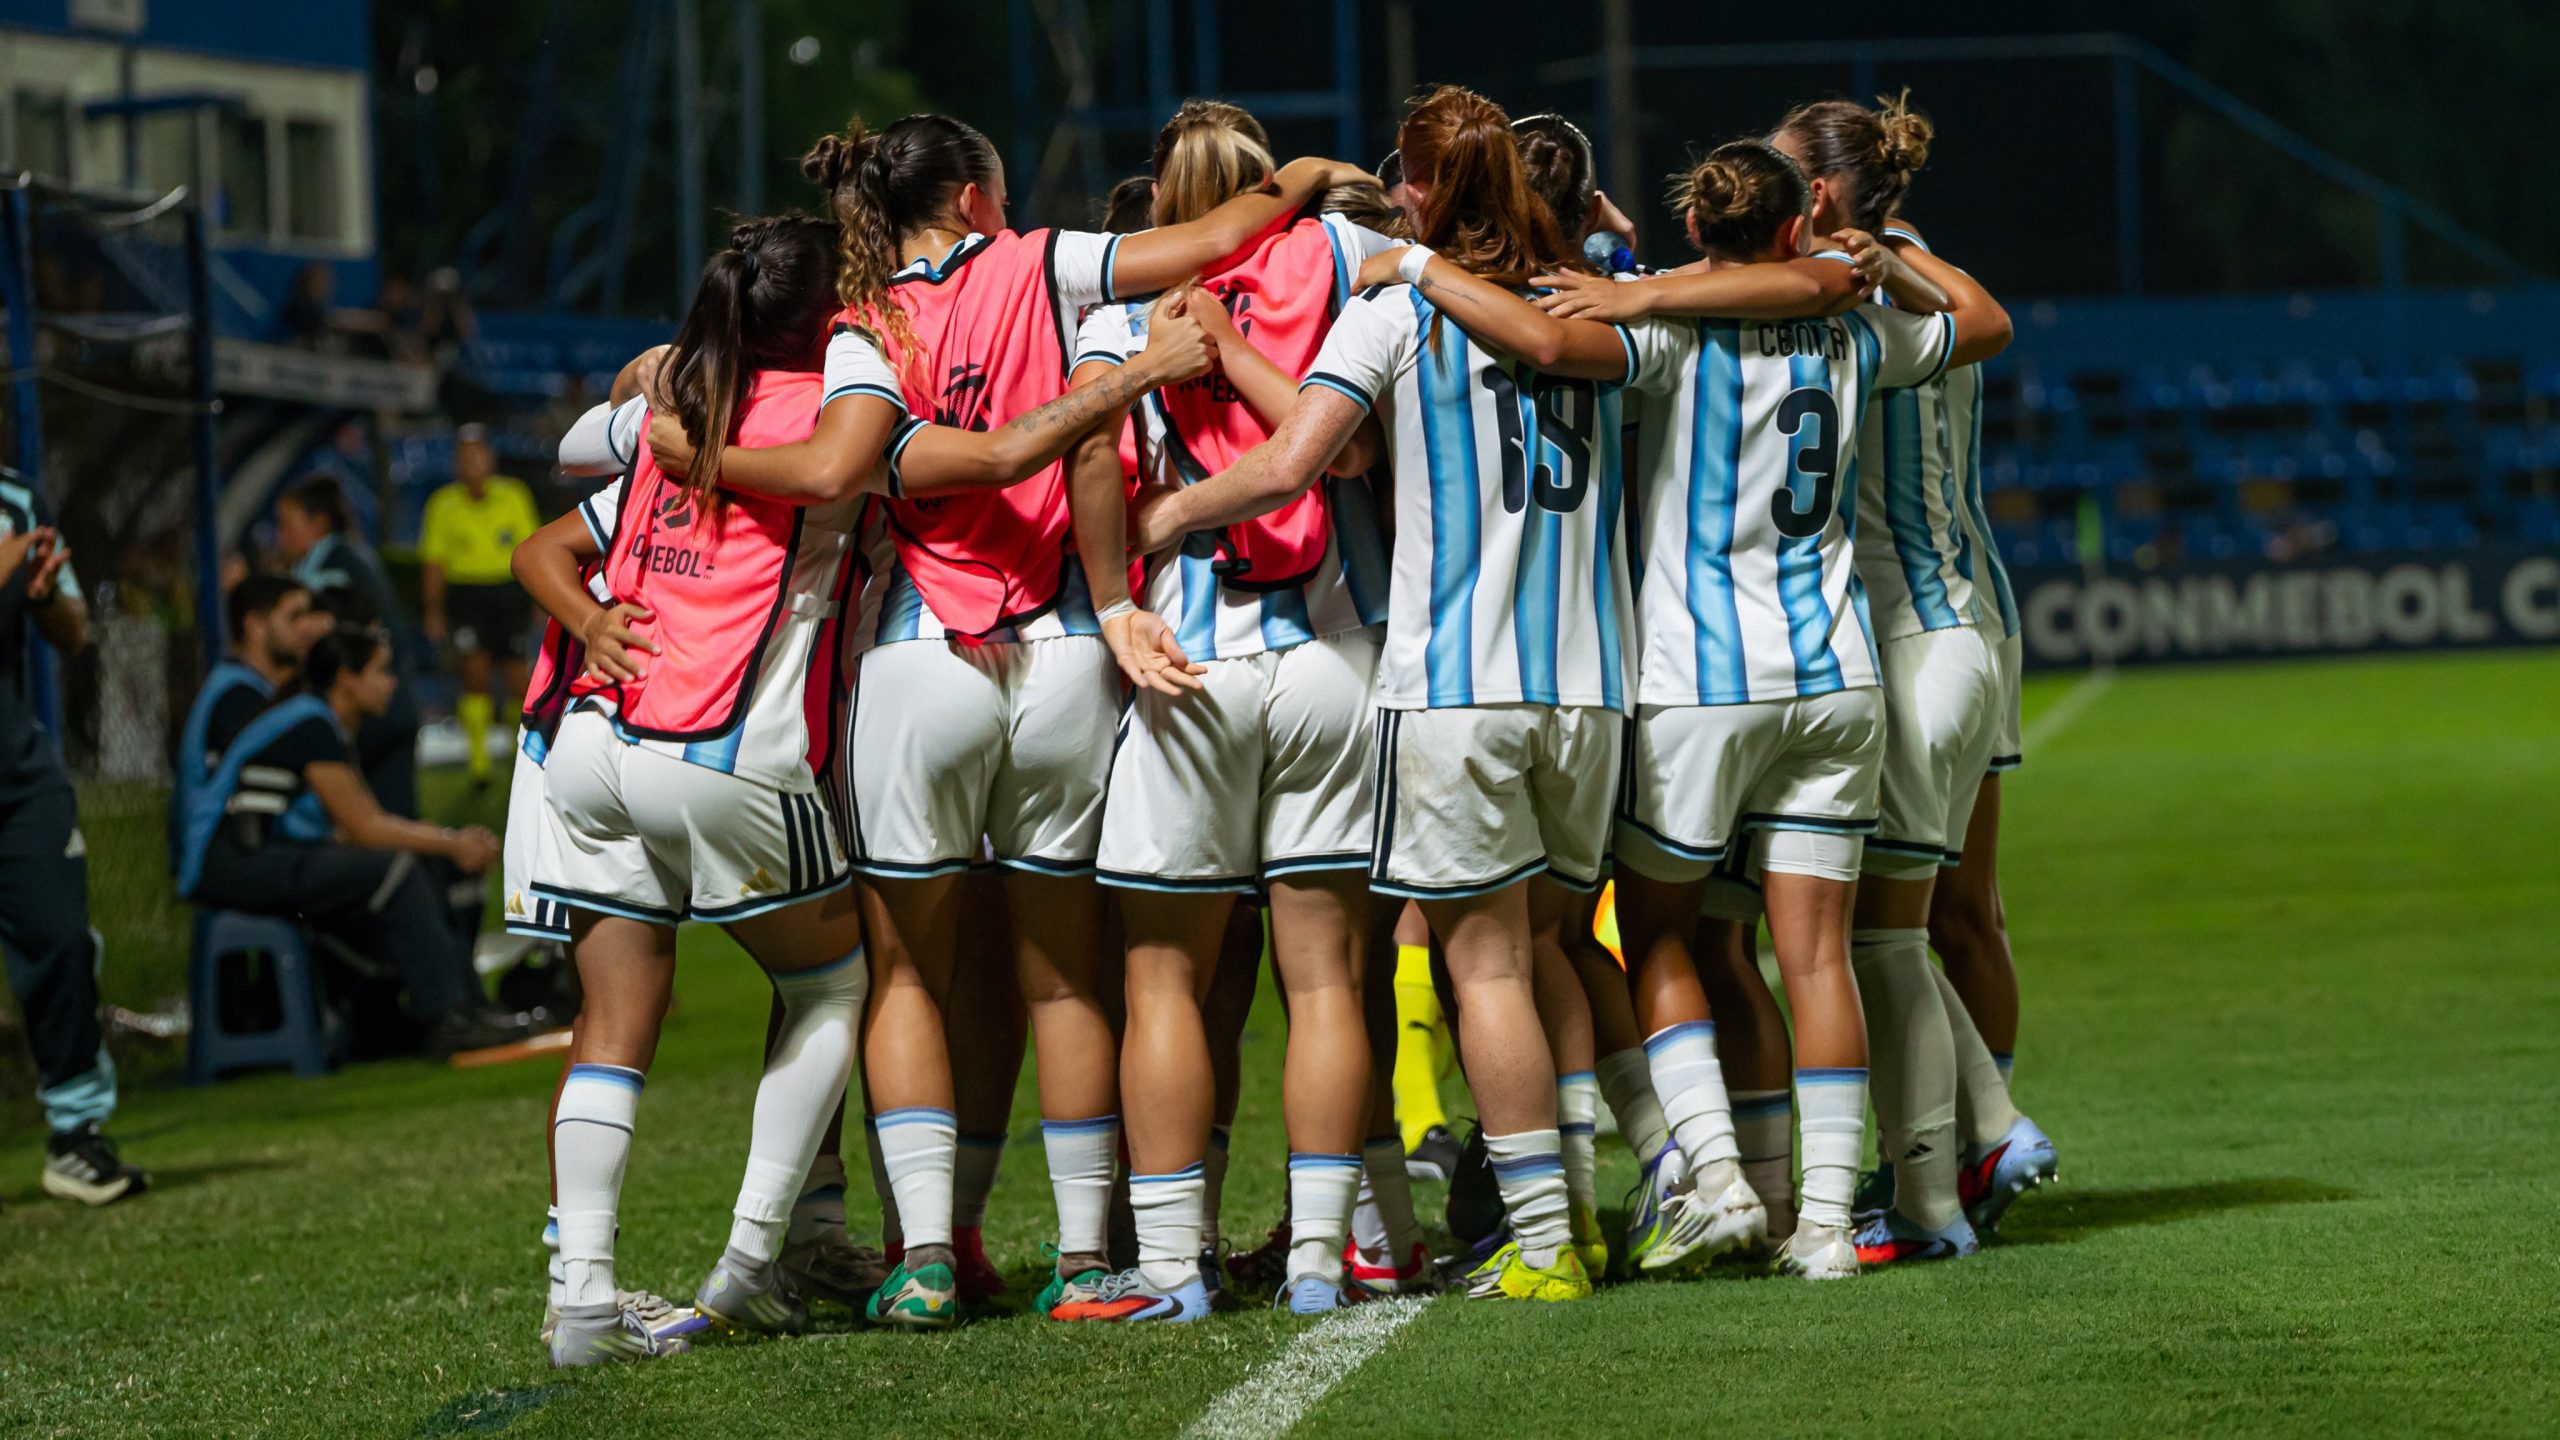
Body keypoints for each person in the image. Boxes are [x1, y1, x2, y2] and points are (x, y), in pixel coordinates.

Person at [650, 111, 1364, 1325]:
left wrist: (662, 407)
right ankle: (1085, 1258)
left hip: (917, 655)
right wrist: (1297, 174)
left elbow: (819, 451)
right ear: (979, 198)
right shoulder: (1048, 264)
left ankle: (927, 1256)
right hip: (1065, 653)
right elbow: (1218, 239)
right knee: (1067, 977)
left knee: (907, 975)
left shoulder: (861, 327)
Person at [1131, 84, 1646, 1304]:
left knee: (1488, 971)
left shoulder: (1394, 309)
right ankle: (1577, 1210)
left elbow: (1296, 463)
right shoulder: (1596, 306)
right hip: (1592, 688)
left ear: (1420, 188)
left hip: (1458, 684)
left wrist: (1168, 514)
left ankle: (1540, 1245)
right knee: (1553, 948)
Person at [1511, 136, 2008, 1279]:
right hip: (1834, 675)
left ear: (1696, 228)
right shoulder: (1857, 332)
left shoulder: (1660, 334)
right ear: (1796, 228)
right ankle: (1825, 1227)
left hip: (1697, 682)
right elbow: (1978, 324)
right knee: (1819, 953)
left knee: (1660, 932)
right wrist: (1875, 263)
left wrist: (1622, 278)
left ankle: (1720, 1179)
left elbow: (1542, 341)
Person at [510, 215, 878, 1366]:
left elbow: (561, 495)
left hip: (589, 745)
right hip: (717, 750)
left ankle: (581, 1301)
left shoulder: (681, 414)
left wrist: (589, 622)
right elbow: (867, 471)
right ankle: (753, 1263)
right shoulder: (831, 412)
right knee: (833, 984)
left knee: (614, 1023)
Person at [1066, 99, 1405, 1319]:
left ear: (1164, 203)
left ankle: (1171, 1266)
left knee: (1164, 978)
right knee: (1326, 980)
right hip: (1334, 656)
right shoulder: (1337, 259)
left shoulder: (1118, 315)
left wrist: (1115, 599)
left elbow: (1091, 457)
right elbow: (1391, 221)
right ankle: (1321, 1257)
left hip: (1189, 659)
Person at [1762, 95, 2057, 1256]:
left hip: (1906, 639)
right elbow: (1986, 320)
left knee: (1876, 936)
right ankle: (1974, 1143)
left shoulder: (1844, 286)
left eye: (1775, 170)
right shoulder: (1924, 264)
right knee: (1963, 914)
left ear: (1818, 192)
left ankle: (1946, 1166)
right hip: (1979, 621)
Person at [177, 628, 532, 1059]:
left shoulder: (326, 722)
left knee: (433, 865)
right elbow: (365, 828)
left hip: (265, 854)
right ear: (346, 679)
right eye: (380, 672)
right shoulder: (311, 724)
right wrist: (450, 841)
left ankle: (465, 1004)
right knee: (395, 868)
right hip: (233, 861)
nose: (392, 684)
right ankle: (445, 1017)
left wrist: (443, 845)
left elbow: (357, 824)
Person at [0, 492, 145, 1208]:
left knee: (61, 940)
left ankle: (76, 1134)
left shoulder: (16, 501)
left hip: (18, 774)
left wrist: (39, 597)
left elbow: (73, 631)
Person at [276, 473, 422, 817]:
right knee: (389, 824)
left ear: (318, 522)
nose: (280, 536)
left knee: (380, 828)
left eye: (286, 524)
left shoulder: (329, 573)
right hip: (390, 708)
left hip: (376, 715)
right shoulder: (348, 557)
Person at [420, 424, 543, 787]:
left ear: (490, 459)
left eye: (477, 455)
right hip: (466, 595)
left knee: (517, 677)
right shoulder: (442, 504)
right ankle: (479, 764)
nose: (471, 463)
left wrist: (539, 597)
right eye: (464, 456)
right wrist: (433, 610)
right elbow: (434, 562)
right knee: (475, 674)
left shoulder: (514, 495)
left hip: (508, 593)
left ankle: (518, 754)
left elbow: (531, 550)